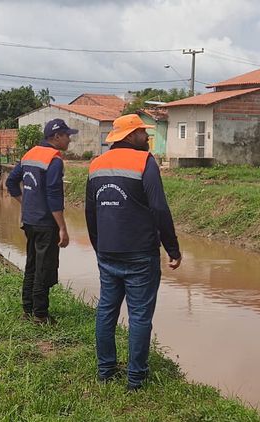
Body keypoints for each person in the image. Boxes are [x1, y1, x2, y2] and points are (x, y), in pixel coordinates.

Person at [85, 114, 182, 391]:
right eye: (142, 132)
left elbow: (90, 212)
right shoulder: (145, 162)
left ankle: (105, 371)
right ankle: (135, 379)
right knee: (139, 316)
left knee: (106, 311)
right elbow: (159, 209)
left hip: (107, 251)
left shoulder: (96, 165)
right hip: (140, 254)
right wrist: (172, 247)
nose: (146, 136)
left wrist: (98, 245)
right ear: (129, 136)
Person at [5, 118, 77, 325]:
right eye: (67, 136)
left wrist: (24, 202)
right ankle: (40, 315)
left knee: (32, 264)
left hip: (29, 221)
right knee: (44, 268)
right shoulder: (54, 160)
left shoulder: (30, 154)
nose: (69, 140)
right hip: (46, 223)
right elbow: (54, 195)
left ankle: (28, 309)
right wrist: (62, 227)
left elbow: (11, 182)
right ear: (56, 137)